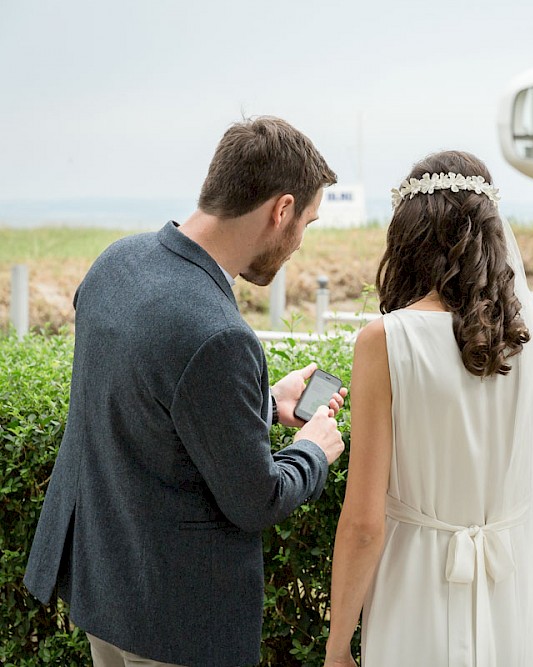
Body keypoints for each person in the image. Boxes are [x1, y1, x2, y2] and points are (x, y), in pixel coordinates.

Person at [23, 116, 348, 667]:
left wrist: (263, 405)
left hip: (105, 593)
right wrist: (313, 450)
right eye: (307, 223)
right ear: (281, 209)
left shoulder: (114, 264)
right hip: (180, 622)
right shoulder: (219, 334)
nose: (298, 243)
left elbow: (150, 411)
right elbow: (256, 499)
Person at [323, 150, 533, 667]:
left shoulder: (385, 341)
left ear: (408, 236)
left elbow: (363, 523)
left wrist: (338, 647)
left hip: (418, 590)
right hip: (521, 594)